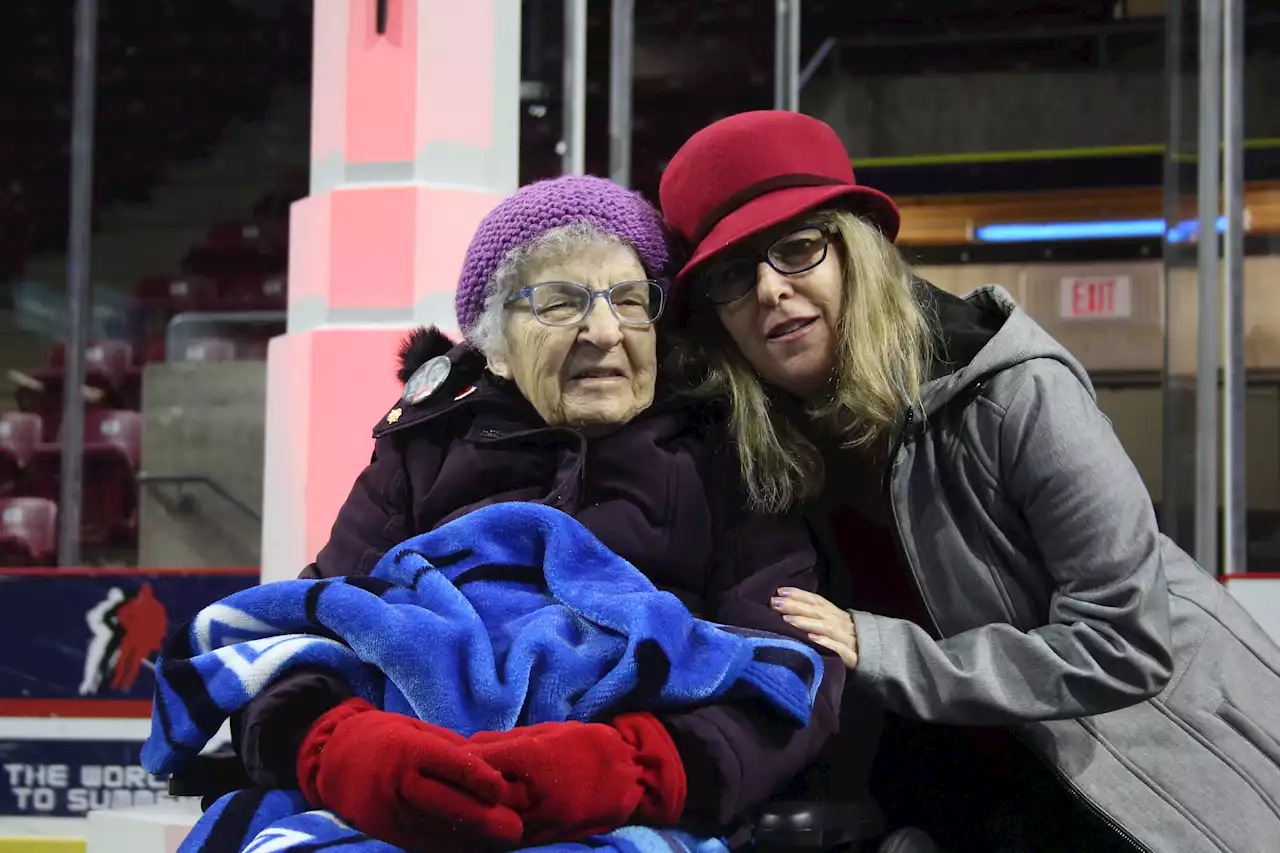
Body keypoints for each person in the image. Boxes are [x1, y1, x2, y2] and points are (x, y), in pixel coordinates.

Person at [658, 110, 1280, 853]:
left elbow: (1126, 644)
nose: (770, 289)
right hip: (974, 798)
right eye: (734, 273)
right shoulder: (769, 446)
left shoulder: (1016, 392)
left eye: (798, 249)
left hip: (1152, 792)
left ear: (858, 255)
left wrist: (879, 649)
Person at [231, 175, 848, 849]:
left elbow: (793, 669)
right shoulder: (419, 454)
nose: (605, 331)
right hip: (408, 801)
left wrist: (635, 769)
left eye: (630, 301)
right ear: (494, 343)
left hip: (634, 811)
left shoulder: (727, 455)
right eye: (561, 304)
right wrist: (340, 748)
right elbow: (297, 631)